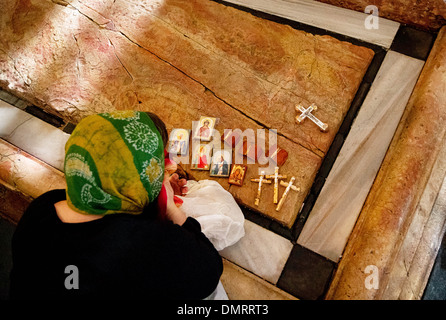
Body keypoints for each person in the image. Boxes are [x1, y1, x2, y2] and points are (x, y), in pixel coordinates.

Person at [9, 110, 223, 300]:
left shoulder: (44, 206)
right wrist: (170, 207)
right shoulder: (138, 243)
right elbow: (209, 270)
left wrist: (146, 191)